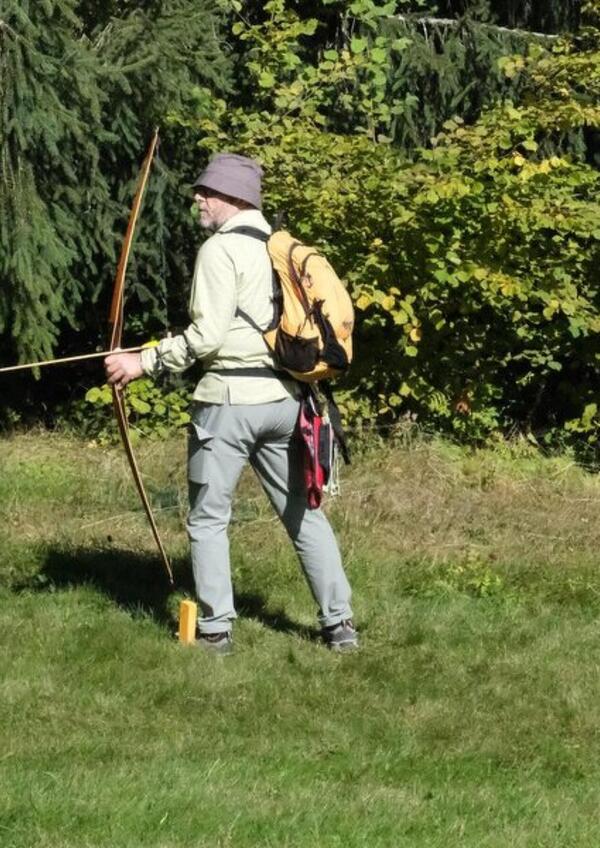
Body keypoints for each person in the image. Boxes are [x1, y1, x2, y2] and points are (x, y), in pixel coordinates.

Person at [104, 153, 357, 654]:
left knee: (207, 519)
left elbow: (206, 336)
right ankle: (340, 625)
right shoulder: (278, 246)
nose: (199, 199)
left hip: (228, 404)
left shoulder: (219, 251)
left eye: (208, 192)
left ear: (234, 199)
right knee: (304, 514)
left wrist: (143, 362)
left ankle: (216, 630)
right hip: (286, 402)